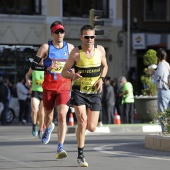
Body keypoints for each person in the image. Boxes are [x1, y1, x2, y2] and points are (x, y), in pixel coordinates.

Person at [61, 25, 108, 167]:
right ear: (81, 37)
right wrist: (72, 75)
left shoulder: (100, 50)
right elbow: (63, 72)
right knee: (82, 122)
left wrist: (102, 79)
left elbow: (105, 66)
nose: (89, 39)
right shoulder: (75, 53)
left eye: (92, 37)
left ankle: (81, 132)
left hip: (94, 93)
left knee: (92, 127)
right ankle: (80, 155)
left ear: (95, 38)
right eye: (86, 37)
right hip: (79, 91)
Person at [30, 21, 74, 159]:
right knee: (48, 116)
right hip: (48, 87)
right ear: (52, 33)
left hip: (64, 87)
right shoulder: (45, 47)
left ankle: (60, 146)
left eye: (61, 31)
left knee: (62, 115)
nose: (59, 34)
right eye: (56, 32)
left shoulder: (70, 48)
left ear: (64, 33)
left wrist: (73, 70)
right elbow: (33, 65)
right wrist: (47, 68)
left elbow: (76, 66)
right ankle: (49, 127)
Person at [152, 48, 170, 131]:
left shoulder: (160, 65)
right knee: (167, 109)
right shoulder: (167, 64)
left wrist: (152, 73)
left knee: (162, 110)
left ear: (158, 57)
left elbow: (156, 77)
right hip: (168, 88)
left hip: (162, 88)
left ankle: (164, 129)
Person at [25, 68, 45, 139]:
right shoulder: (33, 67)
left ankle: (41, 130)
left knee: (41, 113)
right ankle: (34, 125)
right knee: (34, 110)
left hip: (44, 92)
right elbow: (27, 75)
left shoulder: (47, 67)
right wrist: (28, 80)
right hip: (35, 91)